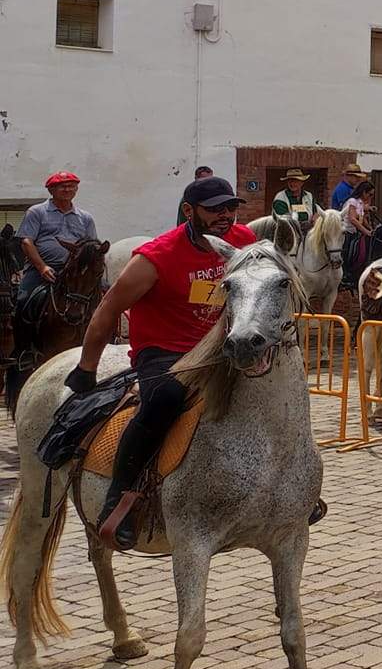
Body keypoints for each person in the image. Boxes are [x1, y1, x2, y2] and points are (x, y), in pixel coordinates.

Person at [67, 175, 257, 548]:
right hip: (167, 351)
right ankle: (119, 497)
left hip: (218, 345)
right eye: (215, 208)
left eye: (231, 207)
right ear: (188, 211)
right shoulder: (157, 257)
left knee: (274, 387)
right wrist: (86, 367)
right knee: (165, 398)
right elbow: (109, 308)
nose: (226, 215)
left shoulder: (242, 242)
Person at [19, 171, 97, 296]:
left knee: (104, 295)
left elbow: (92, 247)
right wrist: (42, 267)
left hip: (75, 272)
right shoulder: (36, 212)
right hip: (40, 270)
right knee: (23, 301)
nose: (67, 189)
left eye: (71, 186)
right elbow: (26, 242)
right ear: (51, 190)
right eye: (62, 186)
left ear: (76, 190)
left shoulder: (86, 218)